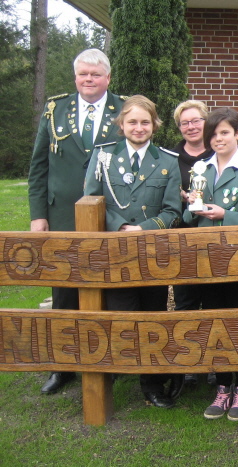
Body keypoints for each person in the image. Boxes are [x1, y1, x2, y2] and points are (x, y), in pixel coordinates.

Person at [28, 48, 126, 395]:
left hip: (110, 216)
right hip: (63, 216)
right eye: (83, 74)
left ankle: (109, 360)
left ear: (108, 78)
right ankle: (63, 366)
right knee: (64, 292)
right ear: (75, 77)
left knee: (108, 289)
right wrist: (38, 215)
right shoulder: (55, 110)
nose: (88, 80)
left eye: (95, 75)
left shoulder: (125, 109)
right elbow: (39, 166)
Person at [83, 95, 182, 408]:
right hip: (115, 252)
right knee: (122, 316)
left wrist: (144, 230)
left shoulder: (167, 161)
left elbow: (172, 210)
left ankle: (151, 383)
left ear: (154, 125)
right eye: (132, 122)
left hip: (152, 253)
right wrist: (121, 227)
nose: (139, 128)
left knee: (152, 317)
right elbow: (90, 199)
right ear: (121, 125)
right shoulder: (103, 158)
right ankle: (117, 368)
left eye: (145, 122)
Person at [183, 107, 238, 421]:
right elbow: (188, 218)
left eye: (224, 132)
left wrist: (225, 215)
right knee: (214, 324)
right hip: (207, 261)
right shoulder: (201, 167)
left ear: (237, 134)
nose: (218, 139)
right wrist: (191, 206)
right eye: (213, 134)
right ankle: (222, 387)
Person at [169, 100, 215, 386]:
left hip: (212, 237)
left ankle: (212, 362)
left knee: (212, 302)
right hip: (183, 238)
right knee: (186, 302)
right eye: (185, 122)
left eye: (196, 120)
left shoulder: (218, 151)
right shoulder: (170, 157)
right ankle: (188, 362)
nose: (191, 126)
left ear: (205, 122)